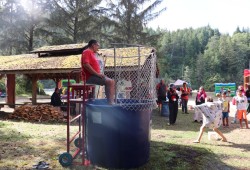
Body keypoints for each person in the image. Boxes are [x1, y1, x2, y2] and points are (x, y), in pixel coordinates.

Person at [81, 39, 115, 104]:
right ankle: (111, 102)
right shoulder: (87, 52)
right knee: (110, 82)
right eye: (97, 45)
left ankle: (110, 101)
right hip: (89, 77)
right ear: (93, 45)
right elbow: (86, 65)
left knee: (112, 81)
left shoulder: (92, 53)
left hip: (95, 75)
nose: (98, 47)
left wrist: (99, 74)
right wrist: (98, 74)